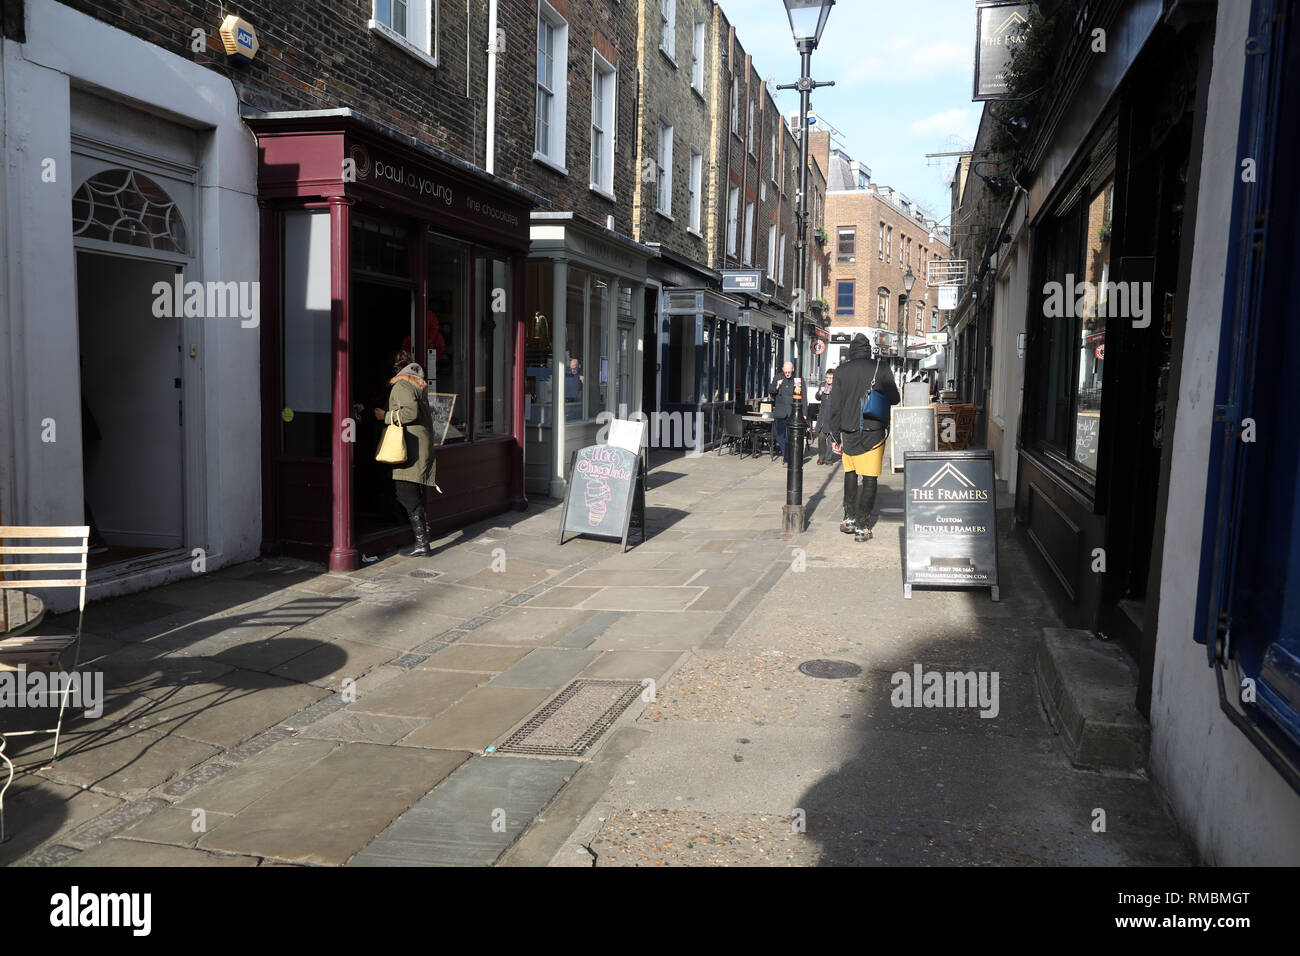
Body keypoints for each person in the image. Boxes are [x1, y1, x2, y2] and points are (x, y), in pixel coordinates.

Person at [825, 333, 899, 542]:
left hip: (848, 432)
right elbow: (895, 398)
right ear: (869, 350)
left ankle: (849, 518)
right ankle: (863, 526)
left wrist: (835, 434)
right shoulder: (880, 368)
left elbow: (835, 406)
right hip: (873, 431)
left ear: (851, 350)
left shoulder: (841, 371)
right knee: (870, 478)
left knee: (850, 473)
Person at [373, 354, 438, 556]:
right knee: (409, 492)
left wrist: (386, 416)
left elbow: (410, 413)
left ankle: (422, 543)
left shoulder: (401, 386)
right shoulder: (416, 387)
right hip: (418, 446)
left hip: (409, 448)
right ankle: (421, 540)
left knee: (406, 493)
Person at [770, 361, 796, 463]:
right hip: (780, 412)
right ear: (783, 369)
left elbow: (803, 396)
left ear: (793, 369)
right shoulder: (778, 377)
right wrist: (777, 386)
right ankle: (787, 455)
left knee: (789, 437)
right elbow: (771, 391)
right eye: (786, 372)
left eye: (789, 371)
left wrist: (804, 413)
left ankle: (786, 459)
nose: (787, 374)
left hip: (792, 412)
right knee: (779, 436)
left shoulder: (797, 378)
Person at [814, 368, 838, 465]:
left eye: (830, 378)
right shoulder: (822, 385)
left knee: (830, 440)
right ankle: (821, 457)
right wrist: (820, 392)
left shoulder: (836, 387)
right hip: (823, 417)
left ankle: (829, 459)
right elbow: (817, 397)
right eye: (827, 377)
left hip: (832, 417)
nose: (828, 380)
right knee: (821, 438)